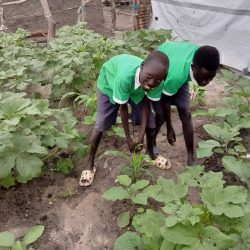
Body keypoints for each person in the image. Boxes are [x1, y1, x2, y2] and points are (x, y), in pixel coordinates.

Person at [79, 51, 169, 187]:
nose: (151, 83)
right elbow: (123, 108)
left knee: (150, 122)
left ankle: (152, 154)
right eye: (149, 77)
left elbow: (146, 105)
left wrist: (140, 137)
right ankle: (90, 164)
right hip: (109, 83)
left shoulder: (158, 81)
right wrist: (128, 139)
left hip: (136, 89)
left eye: (156, 81)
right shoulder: (124, 77)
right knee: (102, 124)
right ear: (143, 66)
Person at [152, 41, 220, 166]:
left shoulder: (204, 57)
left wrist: (201, 76)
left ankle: (190, 154)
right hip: (161, 63)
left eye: (210, 78)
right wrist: (169, 128)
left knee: (186, 113)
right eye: (202, 77)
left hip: (179, 66)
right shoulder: (176, 76)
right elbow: (166, 102)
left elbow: (200, 73)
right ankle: (151, 144)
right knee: (160, 115)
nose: (205, 82)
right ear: (193, 67)